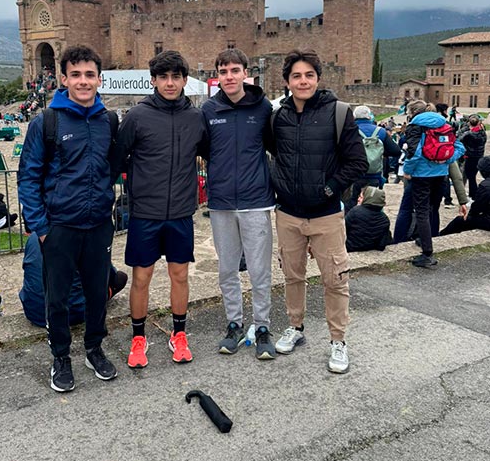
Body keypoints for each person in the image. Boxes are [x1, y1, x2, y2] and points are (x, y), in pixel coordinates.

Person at [18, 45, 118, 393]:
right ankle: (61, 357)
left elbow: (113, 168)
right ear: (63, 79)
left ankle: (94, 348)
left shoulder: (109, 120)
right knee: (56, 298)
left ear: (99, 79)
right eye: (75, 74)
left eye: (89, 74)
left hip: (98, 225)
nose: (83, 81)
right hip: (59, 227)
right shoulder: (46, 122)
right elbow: (28, 178)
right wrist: (41, 229)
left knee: (96, 294)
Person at [270, 49, 368, 374]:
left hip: (326, 214)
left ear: (318, 78)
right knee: (292, 275)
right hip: (288, 213)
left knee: (335, 279)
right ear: (287, 81)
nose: (303, 81)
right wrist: (278, 184)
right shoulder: (277, 117)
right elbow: (269, 154)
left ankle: (338, 340)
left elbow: (358, 162)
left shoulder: (339, 113)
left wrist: (329, 188)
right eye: (296, 76)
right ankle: (295, 328)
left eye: (309, 75)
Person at [111, 50, 206, 369]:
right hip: (145, 213)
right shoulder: (137, 116)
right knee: (142, 277)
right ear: (153, 80)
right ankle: (138, 338)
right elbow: (117, 158)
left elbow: (209, 154)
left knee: (180, 275)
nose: (169, 83)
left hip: (180, 212)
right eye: (163, 77)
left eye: (176, 77)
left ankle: (179, 335)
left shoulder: (195, 117)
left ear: (184, 80)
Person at [202, 48, 276, 360]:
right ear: (217, 76)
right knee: (227, 269)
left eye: (234, 70)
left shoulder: (262, 108)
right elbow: (205, 150)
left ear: (246, 73)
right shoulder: (209, 110)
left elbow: (274, 147)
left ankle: (262, 326)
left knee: (260, 270)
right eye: (223, 71)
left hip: (256, 201)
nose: (229, 76)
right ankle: (234, 323)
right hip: (221, 203)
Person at [403, 99, 465, 268]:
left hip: (422, 175)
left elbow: (414, 153)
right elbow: (459, 147)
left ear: (413, 113)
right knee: (432, 208)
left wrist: (407, 171)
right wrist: (444, 160)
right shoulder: (444, 123)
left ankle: (427, 253)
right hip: (442, 174)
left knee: (421, 211)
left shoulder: (415, 126)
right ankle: (424, 238)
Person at [19, 232, 127, 327]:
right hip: (74, 312)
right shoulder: (84, 233)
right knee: (120, 279)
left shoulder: (35, 235)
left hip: (34, 311)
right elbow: (106, 274)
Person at [344, 105, 401, 210]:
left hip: (353, 174)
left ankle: (351, 224)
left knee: (351, 203)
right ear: (369, 117)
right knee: (373, 204)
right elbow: (396, 151)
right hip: (374, 174)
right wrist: (381, 153)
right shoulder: (381, 131)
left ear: (354, 116)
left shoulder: (349, 130)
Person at [439, 157, 490, 236]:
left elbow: (478, 206)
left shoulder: (485, 186)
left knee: (459, 221)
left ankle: (439, 236)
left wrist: (470, 216)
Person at [345, 186, 392, 252]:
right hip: (372, 249)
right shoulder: (384, 219)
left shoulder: (355, 211)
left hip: (351, 248)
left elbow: (343, 229)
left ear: (367, 199)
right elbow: (382, 244)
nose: (358, 199)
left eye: (361, 197)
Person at [460, 115, 487, 199]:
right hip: (479, 156)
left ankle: (473, 194)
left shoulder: (469, 134)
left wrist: (464, 128)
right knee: (473, 176)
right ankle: (473, 193)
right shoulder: (482, 133)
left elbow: (460, 138)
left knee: (470, 177)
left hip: (470, 157)